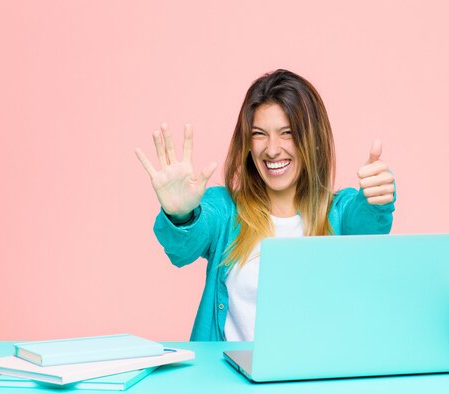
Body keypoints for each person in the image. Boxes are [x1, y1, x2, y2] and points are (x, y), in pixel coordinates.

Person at [135, 69, 396, 341]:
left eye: (287, 133)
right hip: (227, 381)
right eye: (260, 134)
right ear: (248, 143)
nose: (272, 150)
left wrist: (377, 199)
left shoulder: (340, 213)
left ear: (313, 139)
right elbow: (182, 249)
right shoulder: (225, 210)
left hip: (312, 381)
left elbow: (368, 224)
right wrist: (180, 216)